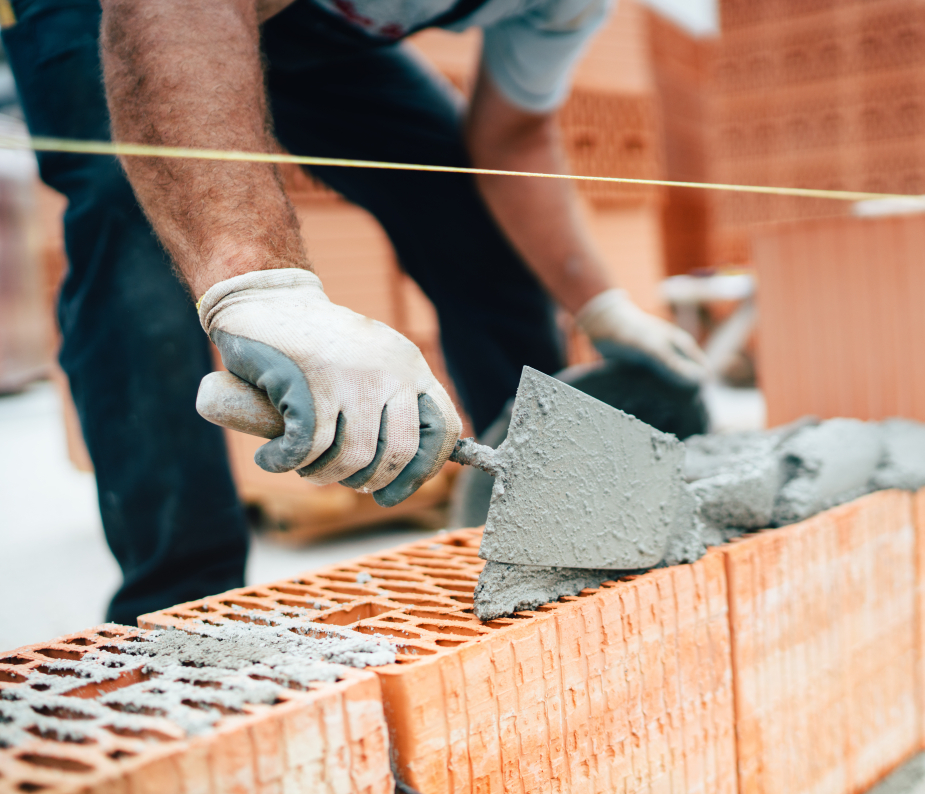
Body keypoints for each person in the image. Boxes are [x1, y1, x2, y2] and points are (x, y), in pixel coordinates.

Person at [2, 0, 706, 624]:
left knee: (466, 209)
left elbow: (512, 138)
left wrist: (599, 304)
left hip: (310, 22)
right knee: (134, 224)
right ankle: (180, 607)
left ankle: (554, 522)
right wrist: (260, 287)